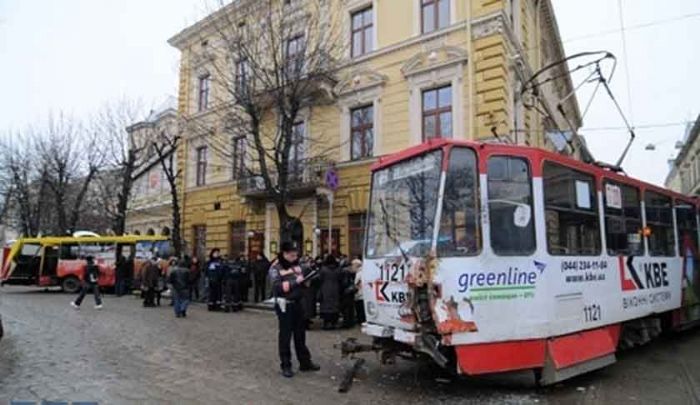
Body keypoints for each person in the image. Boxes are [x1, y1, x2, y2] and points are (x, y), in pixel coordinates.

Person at [269, 241, 320, 378]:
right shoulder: (275, 268)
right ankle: (286, 365)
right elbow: (277, 287)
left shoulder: (297, 266)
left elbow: (305, 280)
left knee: (300, 334)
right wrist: (295, 282)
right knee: (285, 336)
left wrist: (309, 280)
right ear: (284, 254)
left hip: (298, 303)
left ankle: (305, 362)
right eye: (292, 255)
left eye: (296, 255)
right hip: (284, 304)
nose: (295, 257)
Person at [319, 255, 341, 330]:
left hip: (325, 289)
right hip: (336, 289)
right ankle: (334, 322)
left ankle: (327, 323)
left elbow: (320, 278)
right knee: (335, 306)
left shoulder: (323, 269)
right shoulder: (338, 269)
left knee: (326, 306)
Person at [352, 258, 365, 324]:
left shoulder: (359, 273)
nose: (352, 267)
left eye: (353, 265)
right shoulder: (363, 271)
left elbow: (357, 284)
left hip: (360, 294)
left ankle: (361, 321)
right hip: (363, 294)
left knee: (360, 309)